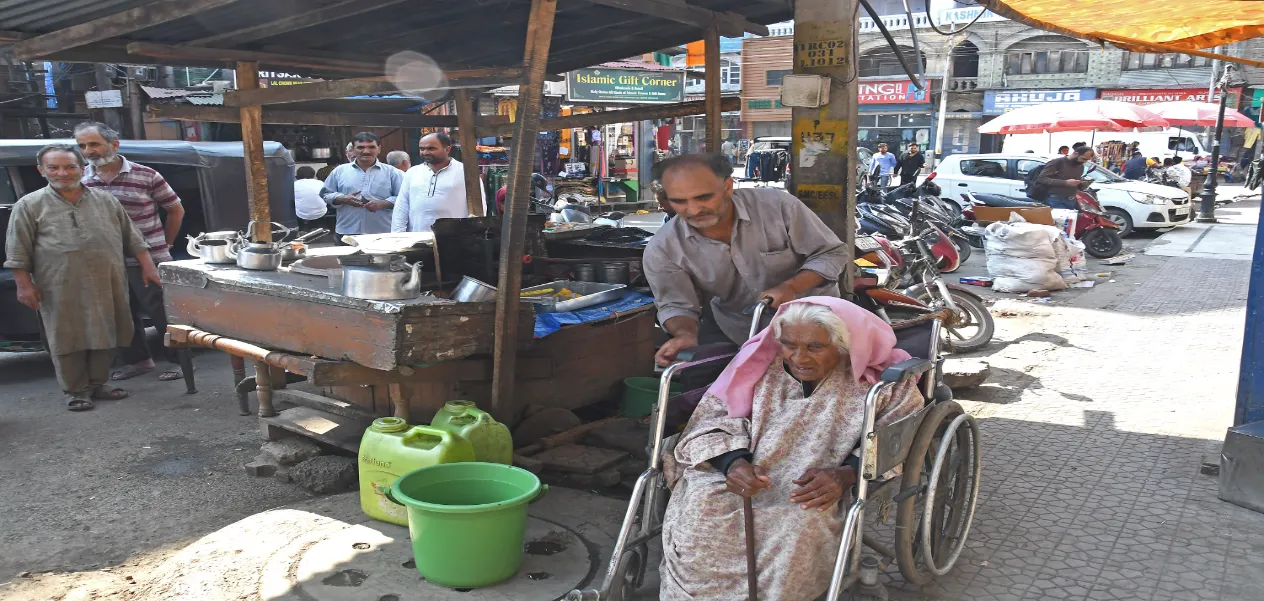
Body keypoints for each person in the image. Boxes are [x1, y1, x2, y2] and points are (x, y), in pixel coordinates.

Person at [659, 297, 923, 601]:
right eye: (789, 345)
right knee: (702, 510)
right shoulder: (758, 367)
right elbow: (711, 420)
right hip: (740, 475)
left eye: (815, 347)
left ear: (843, 344)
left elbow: (894, 441)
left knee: (799, 525)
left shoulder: (884, 385)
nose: (799, 358)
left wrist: (847, 473)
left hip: (815, 485)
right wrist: (733, 463)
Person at [643, 153, 847, 365]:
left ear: (728, 187)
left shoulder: (779, 207)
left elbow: (831, 253)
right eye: (679, 201)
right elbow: (677, 304)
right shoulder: (663, 248)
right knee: (707, 387)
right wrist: (685, 334)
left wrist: (792, 287)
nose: (693, 210)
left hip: (817, 325)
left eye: (703, 197)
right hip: (737, 328)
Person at [5, 144, 162, 411]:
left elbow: (133, 238)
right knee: (66, 337)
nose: (62, 173)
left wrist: (149, 268)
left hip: (107, 282)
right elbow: (17, 251)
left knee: (106, 332)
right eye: (54, 167)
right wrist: (24, 286)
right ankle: (75, 390)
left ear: (82, 168)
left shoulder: (105, 200)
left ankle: (98, 384)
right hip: (58, 286)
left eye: (69, 166)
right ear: (41, 171)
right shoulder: (29, 205)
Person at [75, 122, 186, 384]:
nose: (88, 151)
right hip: (107, 262)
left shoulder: (146, 175)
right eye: (82, 146)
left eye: (94, 144)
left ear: (114, 145)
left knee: (162, 312)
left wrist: (166, 244)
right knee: (121, 313)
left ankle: (180, 362)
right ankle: (139, 361)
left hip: (150, 259)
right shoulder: (81, 180)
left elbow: (175, 209)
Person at [392, 132, 485, 233]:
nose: (425, 152)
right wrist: (397, 234)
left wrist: (473, 235)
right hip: (417, 237)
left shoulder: (466, 172)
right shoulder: (412, 172)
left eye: (431, 148)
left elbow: (479, 207)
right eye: (422, 149)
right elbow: (402, 206)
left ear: (447, 149)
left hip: (454, 237)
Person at [320, 132, 403, 240]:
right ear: (353, 150)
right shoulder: (339, 171)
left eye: (371, 147)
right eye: (360, 147)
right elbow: (325, 194)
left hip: (383, 233)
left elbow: (404, 198)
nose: (366, 151)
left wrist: (383, 203)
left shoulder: (393, 173)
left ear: (379, 149)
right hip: (348, 232)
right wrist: (342, 198)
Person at [1036, 145, 1096, 210]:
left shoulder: (1080, 166)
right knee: (1059, 219)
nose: (1084, 161)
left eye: (1087, 160)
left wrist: (1082, 184)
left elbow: (1074, 181)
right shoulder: (1057, 162)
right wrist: (1065, 182)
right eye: (1083, 159)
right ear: (1076, 154)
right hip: (1056, 199)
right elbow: (1041, 179)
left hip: (1071, 199)